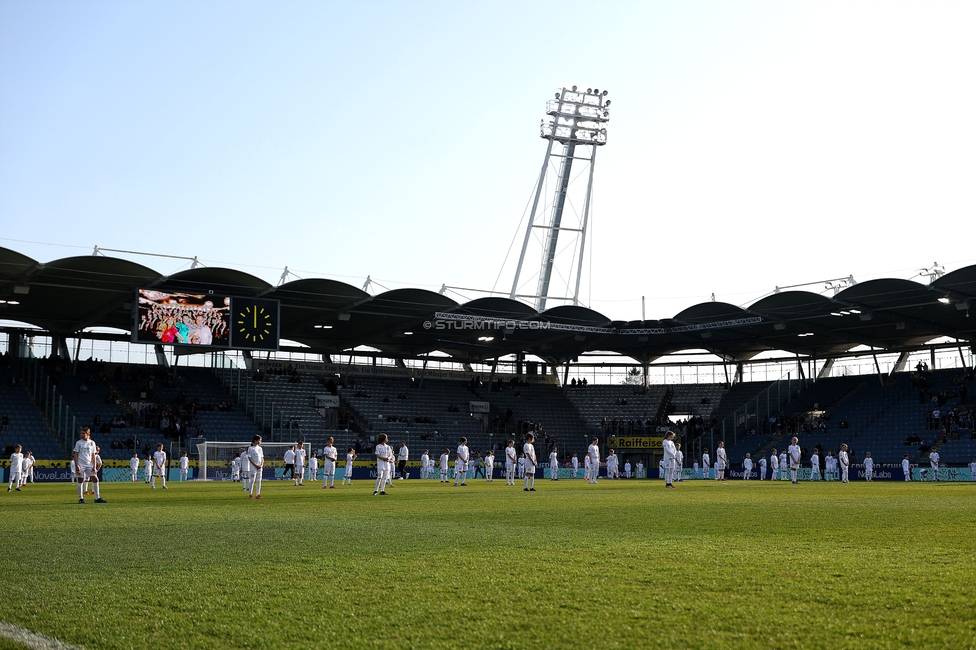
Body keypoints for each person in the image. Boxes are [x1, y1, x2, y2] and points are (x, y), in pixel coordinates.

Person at [73, 427, 106, 503]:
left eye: (83, 433)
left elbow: (93, 455)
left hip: (89, 464)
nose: (81, 435)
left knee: (95, 479)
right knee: (80, 480)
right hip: (81, 464)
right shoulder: (79, 443)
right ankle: (81, 498)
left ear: (88, 434)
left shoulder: (92, 443)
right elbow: (75, 455)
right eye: (81, 433)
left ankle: (97, 498)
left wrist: (94, 466)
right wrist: (77, 465)